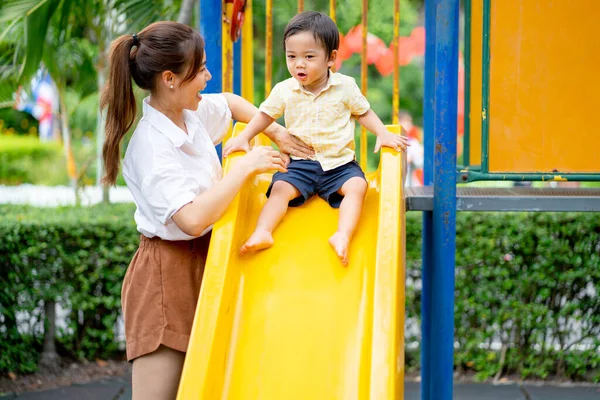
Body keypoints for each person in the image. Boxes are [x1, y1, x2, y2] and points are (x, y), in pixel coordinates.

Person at [101, 21, 313, 400]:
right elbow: (192, 218)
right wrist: (246, 167)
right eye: (199, 70)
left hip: (209, 261)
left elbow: (231, 103)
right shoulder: (151, 145)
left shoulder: (189, 115)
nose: (208, 77)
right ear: (169, 79)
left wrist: (276, 132)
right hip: (168, 276)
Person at [224, 11, 408, 265]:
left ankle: (343, 235)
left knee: (358, 187)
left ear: (331, 58)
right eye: (292, 56)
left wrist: (383, 133)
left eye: (309, 57)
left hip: (340, 165)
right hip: (301, 163)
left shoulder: (345, 87)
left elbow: (363, 112)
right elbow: (264, 116)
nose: (299, 64)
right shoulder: (285, 90)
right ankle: (262, 231)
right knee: (279, 189)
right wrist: (245, 136)